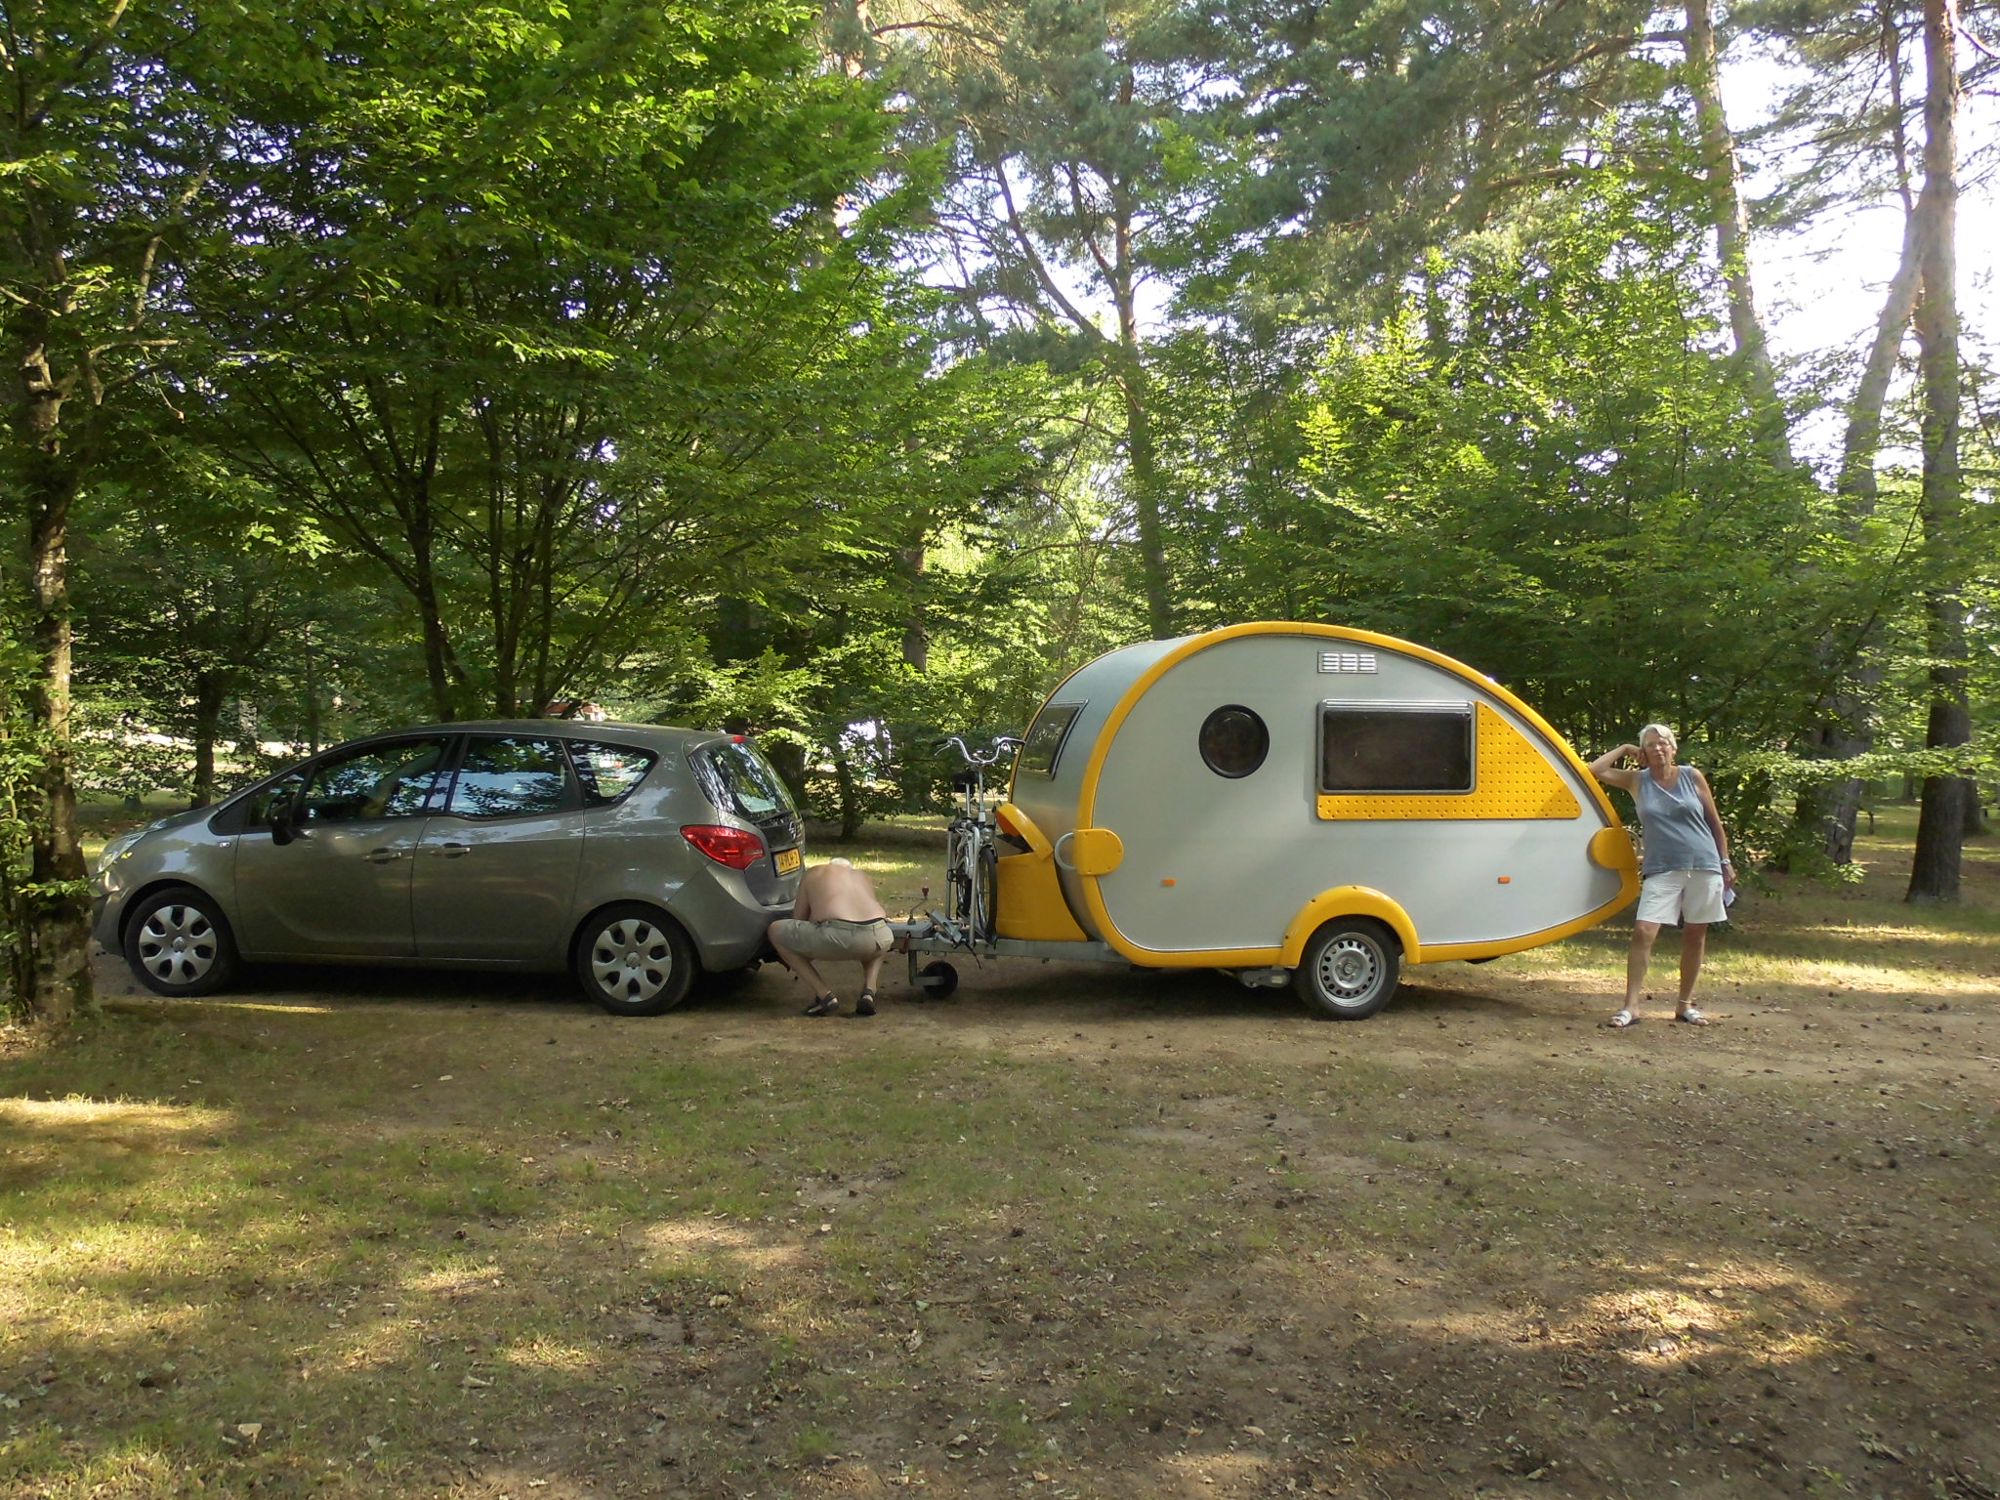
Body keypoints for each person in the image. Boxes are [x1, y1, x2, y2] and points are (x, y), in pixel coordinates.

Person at [1589, 723, 1735, 1028]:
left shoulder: (1691, 776)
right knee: (1644, 930)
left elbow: (1714, 822)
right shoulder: (1637, 781)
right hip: (1661, 867)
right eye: (1652, 744)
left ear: (1674, 748)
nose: (1659, 748)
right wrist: (1627, 749)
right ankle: (1631, 1006)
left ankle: (1684, 1005)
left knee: (1696, 934)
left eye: (1664, 743)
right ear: (1644, 751)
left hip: (1704, 863)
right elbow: (1595, 769)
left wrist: (1725, 861)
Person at [768, 858, 895, 1018]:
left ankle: (825, 996)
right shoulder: (862, 876)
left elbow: (798, 919)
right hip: (879, 934)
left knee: (776, 930)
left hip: (836, 935)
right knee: (876, 943)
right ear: (850, 868)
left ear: (830, 865)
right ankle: (869, 991)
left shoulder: (815, 872)